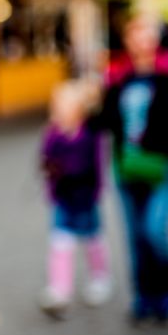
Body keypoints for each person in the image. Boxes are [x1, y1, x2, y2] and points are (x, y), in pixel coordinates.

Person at [99, 11, 168, 326]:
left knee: (156, 230)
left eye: (146, 33)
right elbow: (107, 120)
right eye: (135, 33)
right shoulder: (118, 75)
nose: (141, 40)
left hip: (162, 167)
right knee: (135, 237)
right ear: (127, 39)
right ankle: (144, 297)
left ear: (155, 38)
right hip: (126, 168)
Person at [37, 79, 111, 319]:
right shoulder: (53, 134)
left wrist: (98, 190)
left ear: (78, 109)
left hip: (86, 197)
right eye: (57, 106)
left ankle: (99, 278)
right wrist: (49, 174)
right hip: (63, 197)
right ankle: (60, 289)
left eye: (66, 107)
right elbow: (45, 159)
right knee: (61, 242)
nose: (60, 112)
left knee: (93, 239)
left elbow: (98, 164)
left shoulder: (90, 133)